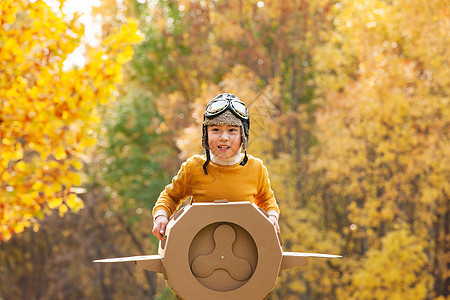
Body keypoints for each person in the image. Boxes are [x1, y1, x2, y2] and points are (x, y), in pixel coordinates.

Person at [152, 93, 280, 240]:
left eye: (232, 130)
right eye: (215, 130)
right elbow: (170, 196)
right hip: (198, 249)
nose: (224, 137)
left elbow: (267, 200)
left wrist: (272, 217)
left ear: (242, 136)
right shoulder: (193, 168)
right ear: (206, 135)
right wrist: (161, 216)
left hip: (245, 249)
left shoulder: (256, 168)